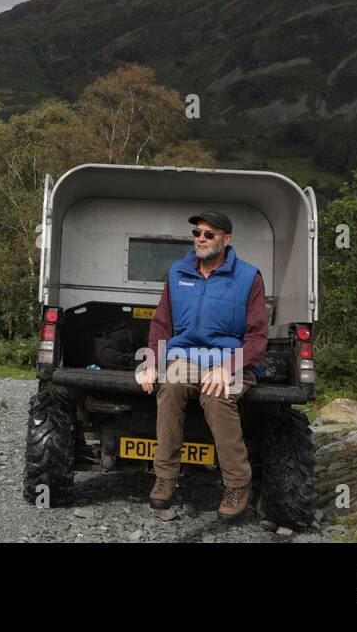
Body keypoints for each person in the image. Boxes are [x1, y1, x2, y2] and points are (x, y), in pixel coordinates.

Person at [135, 210, 268, 523]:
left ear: (226, 239)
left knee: (216, 395)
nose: (201, 239)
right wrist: (152, 361)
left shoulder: (249, 277)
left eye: (209, 234)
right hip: (186, 358)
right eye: (197, 233)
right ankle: (165, 476)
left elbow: (258, 337)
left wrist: (230, 367)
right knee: (169, 387)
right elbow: (162, 324)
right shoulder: (178, 273)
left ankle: (238, 484)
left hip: (232, 361)